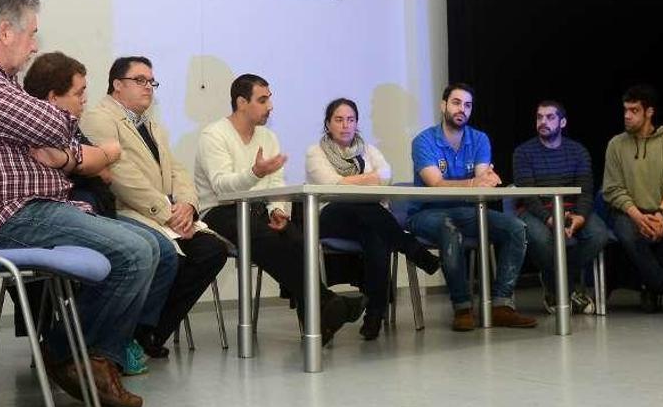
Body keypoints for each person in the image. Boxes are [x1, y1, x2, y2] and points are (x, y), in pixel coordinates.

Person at [0, 0, 153, 407]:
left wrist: (59, 152)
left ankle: (83, 358)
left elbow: (48, 140)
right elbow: (50, 124)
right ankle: (73, 356)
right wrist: (67, 146)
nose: (33, 47)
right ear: (5, 30)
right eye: (30, 34)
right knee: (134, 253)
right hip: (2, 218)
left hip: (31, 209)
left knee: (142, 246)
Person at [23, 51, 178, 374]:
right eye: (79, 93)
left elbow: (102, 168)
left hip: (84, 209)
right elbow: (102, 169)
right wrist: (96, 159)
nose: (84, 100)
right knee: (140, 250)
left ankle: (111, 346)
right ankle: (72, 349)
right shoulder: (44, 127)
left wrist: (93, 160)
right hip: (63, 213)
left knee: (160, 250)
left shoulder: (71, 127)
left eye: (152, 81)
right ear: (53, 97)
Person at [196, 74, 364, 346]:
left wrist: (277, 210)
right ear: (241, 102)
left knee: (298, 239)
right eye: (262, 100)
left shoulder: (268, 136)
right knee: (270, 240)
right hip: (220, 211)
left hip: (258, 209)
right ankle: (328, 305)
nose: (270, 106)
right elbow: (222, 188)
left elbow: (276, 182)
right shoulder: (214, 135)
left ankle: (321, 319)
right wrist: (254, 172)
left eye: (269, 98)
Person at [80, 56, 228, 356]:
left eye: (151, 81)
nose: (148, 87)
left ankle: (150, 332)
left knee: (212, 251)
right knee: (169, 256)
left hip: (163, 213)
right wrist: (166, 214)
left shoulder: (152, 124)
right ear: (117, 85)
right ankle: (130, 334)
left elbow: (177, 170)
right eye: (140, 80)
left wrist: (187, 204)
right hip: (127, 212)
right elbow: (121, 176)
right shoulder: (99, 118)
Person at [305, 98, 440, 340]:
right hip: (332, 216)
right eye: (339, 119)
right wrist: (368, 179)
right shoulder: (316, 152)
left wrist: (354, 182)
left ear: (357, 123)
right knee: (364, 206)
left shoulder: (368, 149)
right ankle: (410, 247)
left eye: (351, 120)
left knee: (375, 233)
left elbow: (387, 176)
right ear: (327, 124)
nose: (345, 125)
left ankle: (374, 315)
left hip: (369, 219)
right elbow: (331, 185)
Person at [406, 83, 536, 331]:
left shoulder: (479, 139)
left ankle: (501, 305)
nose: (462, 109)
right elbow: (436, 184)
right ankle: (462, 306)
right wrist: (476, 182)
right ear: (443, 105)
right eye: (456, 103)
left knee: (516, 227)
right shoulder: (423, 141)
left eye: (467, 105)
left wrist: (486, 182)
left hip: (469, 211)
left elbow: (482, 185)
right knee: (449, 228)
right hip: (427, 213)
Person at [512, 100, 609, 314]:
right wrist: (550, 219)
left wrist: (580, 217)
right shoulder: (523, 152)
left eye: (549, 117)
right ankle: (568, 291)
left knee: (599, 234)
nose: (543, 122)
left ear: (562, 122)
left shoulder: (578, 151)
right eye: (539, 117)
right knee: (542, 239)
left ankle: (556, 286)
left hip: (572, 210)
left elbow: (585, 190)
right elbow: (528, 196)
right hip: (536, 212)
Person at [602, 84, 663, 313]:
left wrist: (660, 214)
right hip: (629, 211)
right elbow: (612, 189)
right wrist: (639, 217)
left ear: (649, 112)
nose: (627, 116)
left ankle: (649, 287)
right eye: (625, 110)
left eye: (634, 110)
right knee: (630, 235)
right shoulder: (615, 145)